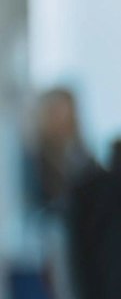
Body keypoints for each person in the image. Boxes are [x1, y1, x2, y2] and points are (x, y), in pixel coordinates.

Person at [24, 86, 100, 218]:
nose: (62, 120)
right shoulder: (35, 160)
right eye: (55, 113)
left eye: (67, 113)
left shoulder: (82, 155)